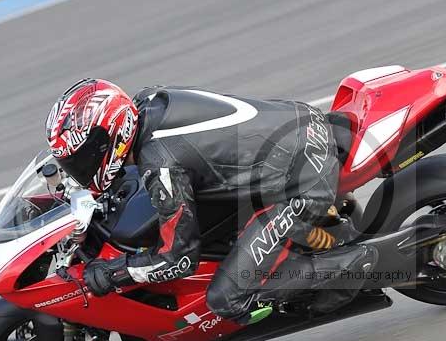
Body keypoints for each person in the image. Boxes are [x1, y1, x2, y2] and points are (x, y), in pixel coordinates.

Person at [45, 79, 377, 324]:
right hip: (298, 126)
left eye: (82, 158)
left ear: (111, 138)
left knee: (226, 299)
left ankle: (356, 267)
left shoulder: (161, 165)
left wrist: (114, 274)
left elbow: (179, 261)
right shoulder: (147, 102)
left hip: (305, 181)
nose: (79, 167)